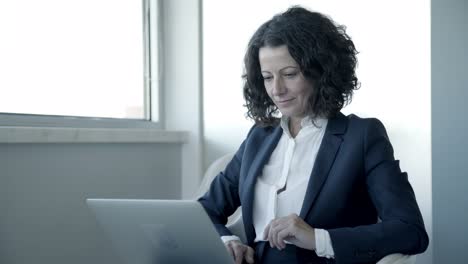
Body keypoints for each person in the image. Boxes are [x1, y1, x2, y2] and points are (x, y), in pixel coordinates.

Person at [198, 6, 428, 264]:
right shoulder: (259, 137)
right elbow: (204, 209)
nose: (277, 89)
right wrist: (228, 241)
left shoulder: (362, 137)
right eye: (267, 77)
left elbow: (410, 231)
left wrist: (317, 238)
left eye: (289, 74)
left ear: (321, 71)